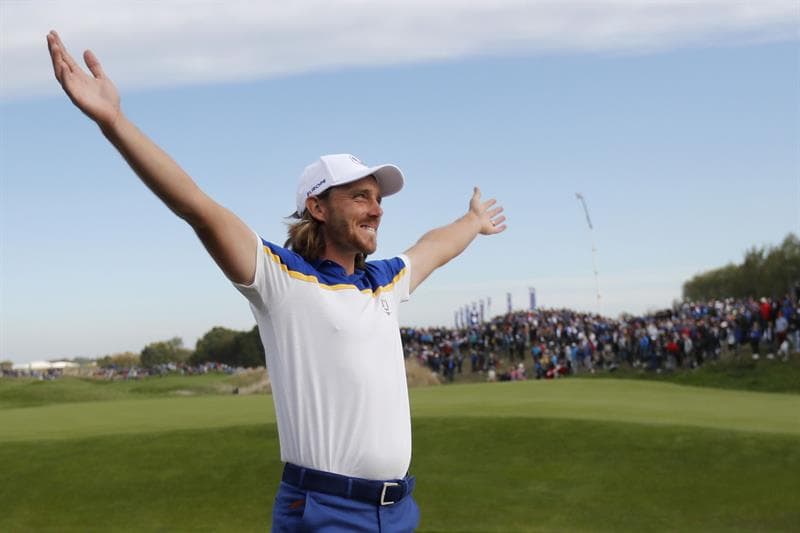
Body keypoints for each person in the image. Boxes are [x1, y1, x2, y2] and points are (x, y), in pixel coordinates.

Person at [47, 31, 506, 532]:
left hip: (397, 511)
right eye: (359, 197)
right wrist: (115, 123)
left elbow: (433, 246)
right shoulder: (281, 278)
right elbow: (197, 207)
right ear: (317, 206)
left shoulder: (384, 281)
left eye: (378, 198)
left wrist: (473, 222)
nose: (376, 209)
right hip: (324, 510)